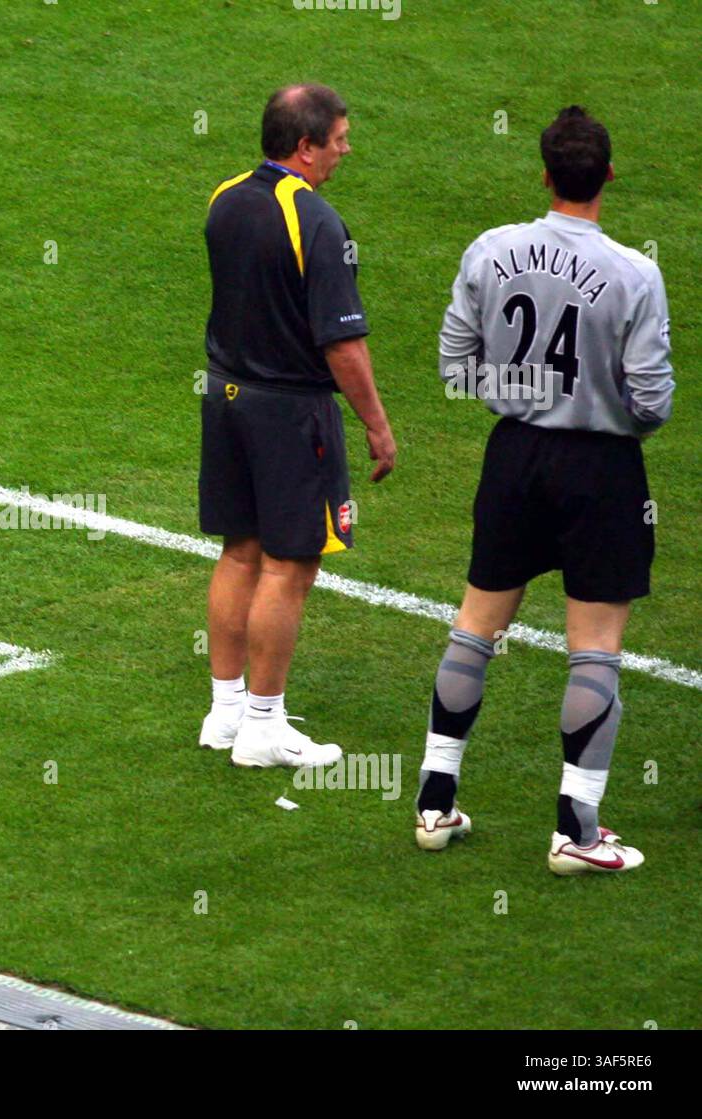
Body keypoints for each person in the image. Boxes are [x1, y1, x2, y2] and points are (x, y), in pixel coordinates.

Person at [422, 106, 673, 873]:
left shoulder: (491, 250)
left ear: (543, 173)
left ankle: (434, 805)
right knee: (593, 646)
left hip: (515, 459)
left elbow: (456, 366)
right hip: (600, 467)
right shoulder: (635, 272)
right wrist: (595, 405)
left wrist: (525, 389)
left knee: (476, 626)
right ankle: (577, 831)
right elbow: (652, 402)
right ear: (608, 176)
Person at [198, 83, 396, 768]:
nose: (345, 149)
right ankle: (262, 726)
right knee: (289, 563)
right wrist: (376, 423)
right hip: (288, 411)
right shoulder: (317, 222)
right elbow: (342, 345)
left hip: (224, 394)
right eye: (338, 138)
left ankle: (224, 713)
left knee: (239, 550)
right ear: (305, 146)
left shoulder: (225, 197)